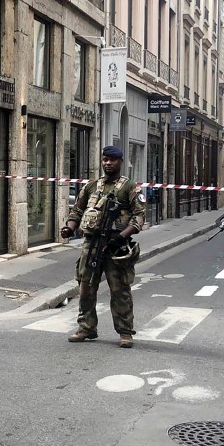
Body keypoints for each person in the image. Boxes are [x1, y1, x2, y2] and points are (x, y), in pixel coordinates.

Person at [60, 145, 145, 348]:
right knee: (86, 287)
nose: (108, 163)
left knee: (120, 290)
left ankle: (125, 332)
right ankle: (86, 328)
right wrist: (69, 229)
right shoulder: (91, 186)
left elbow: (139, 216)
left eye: (112, 160)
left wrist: (122, 236)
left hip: (116, 246)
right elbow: (77, 211)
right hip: (92, 244)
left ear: (120, 161)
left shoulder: (129, 187)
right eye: (105, 159)